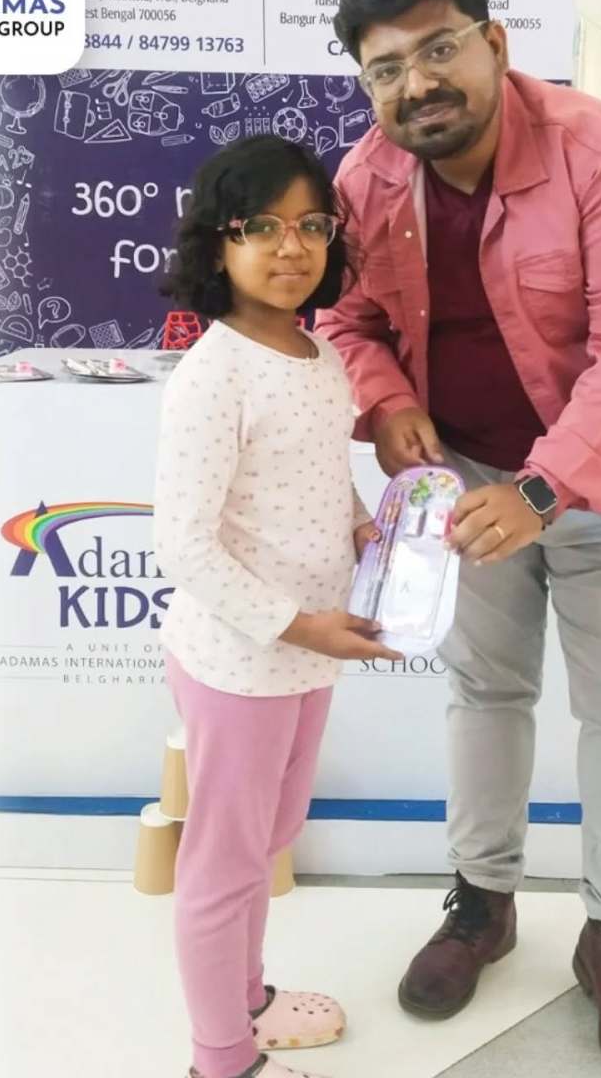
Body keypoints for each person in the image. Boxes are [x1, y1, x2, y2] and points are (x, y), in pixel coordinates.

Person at [316, 0, 601, 1077]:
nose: (417, 84)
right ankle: (483, 903)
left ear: (493, 42)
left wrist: (544, 488)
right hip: (464, 481)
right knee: (486, 691)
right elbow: (346, 322)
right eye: (386, 69)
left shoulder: (598, 149)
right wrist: (389, 403)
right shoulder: (365, 181)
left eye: (438, 49)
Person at [154, 135, 403, 1078]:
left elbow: (318, 477)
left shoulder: (315, 351)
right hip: (240, 665)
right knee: (223, 865)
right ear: (218, 244)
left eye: (310, 225)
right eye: (260, 226)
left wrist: (365, 531)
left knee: (265, 843)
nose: (290, 247)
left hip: (306, 654)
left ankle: (248, 997)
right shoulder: (212, 375)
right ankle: (222, 1057)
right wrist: (301, 625)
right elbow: (182, 545)